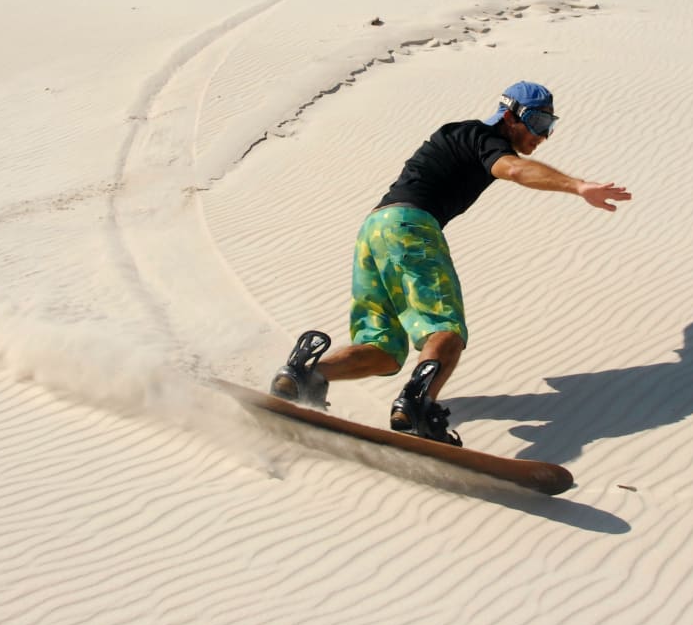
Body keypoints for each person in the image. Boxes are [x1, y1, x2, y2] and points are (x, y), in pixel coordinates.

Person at [270, 81, 631, 445]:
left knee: (383, 351)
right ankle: (417, 406)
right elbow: (516, 170)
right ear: (509, 116)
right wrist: (579, 186)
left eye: (549, 126)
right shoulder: (484, 137)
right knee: (445, 329)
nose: (542, 136)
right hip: (411, 228)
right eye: (537, 123)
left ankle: (306, 375)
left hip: (374, 232)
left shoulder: (459, 135)